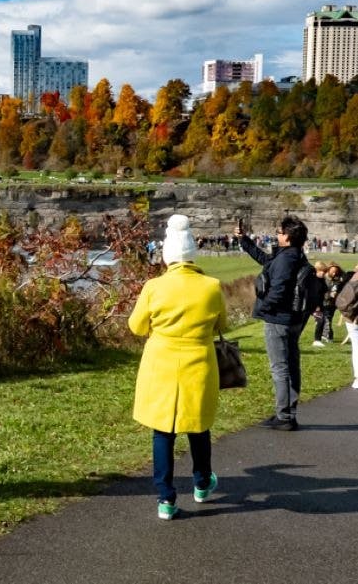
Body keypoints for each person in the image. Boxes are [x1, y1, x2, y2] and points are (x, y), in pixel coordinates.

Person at [129, 214, 227, 521]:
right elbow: (221, 325)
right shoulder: (211, 286)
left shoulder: (154, 286)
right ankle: (201, 482)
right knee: (198, 428)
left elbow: (136, 326)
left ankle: (165, 498)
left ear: (168, 256)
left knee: (163, 432)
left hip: (161, 364)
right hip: (199, 363)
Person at [235, 215, 310, 431]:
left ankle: (283, 416)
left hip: (279, 319)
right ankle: (289, 413)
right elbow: (265, 259)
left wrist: (265, 307)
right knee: (291, 366)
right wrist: (244, 240)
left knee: (280, 368)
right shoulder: (293, 255)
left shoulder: (287, 259)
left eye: (279, 232)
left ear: (287, 236)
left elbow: (279, 289)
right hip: (292, 319)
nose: (277, 235)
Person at [313, 262, 345, 347]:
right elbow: (320, 291)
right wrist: (329, 294)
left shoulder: (338, 280)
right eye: (333, 271)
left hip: (330, 304)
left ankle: (324, 337)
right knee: (322, 320)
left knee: (326, 320)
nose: (334, 273)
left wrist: (336, 294)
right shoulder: (322, 279)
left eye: (336, 271)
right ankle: (324, 337)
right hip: (320, 303)